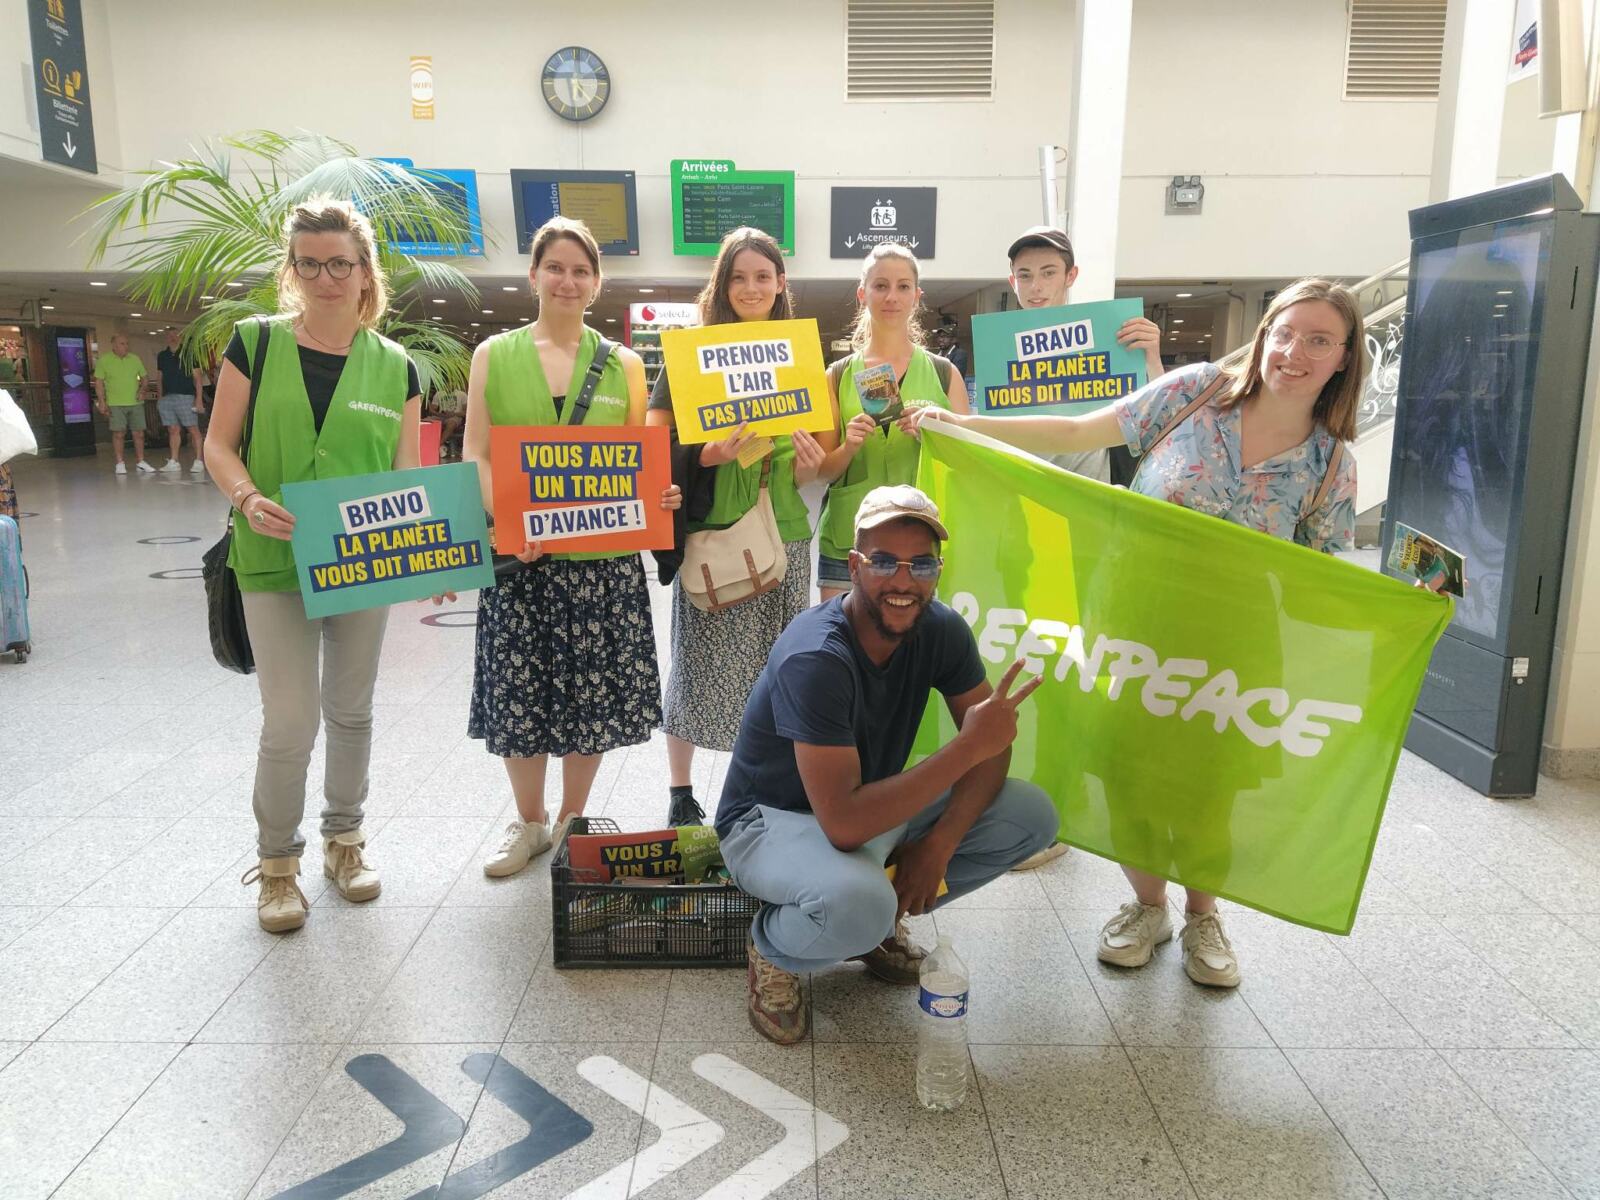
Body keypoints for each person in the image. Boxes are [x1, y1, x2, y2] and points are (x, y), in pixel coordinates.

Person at [913, 277, 1365, 988]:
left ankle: (1204, 916)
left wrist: (1411, 601)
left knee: (1211, 786)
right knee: (1129, 771)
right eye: (1284, 330)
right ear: (1267, 333)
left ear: (1343, 358)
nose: (1294, 351)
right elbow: (1075, 433)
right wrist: (960, 425)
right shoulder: (1195, 392)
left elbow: (1317, 585)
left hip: (1235, 640)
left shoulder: (1332, 466)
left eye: (1318, 340)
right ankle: (1146, 907)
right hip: (1134, 620)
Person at [716, 485, 1058, 1044]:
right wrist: (970, 747)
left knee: (1031, 814)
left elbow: (992, 751)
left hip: (867, 808)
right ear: (853, 565)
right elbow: (843, 823)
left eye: (920, 563)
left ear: (938, 570)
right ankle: (774, 946)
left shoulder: (941, 629)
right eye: (883, 562)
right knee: (861, 903)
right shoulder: (817, 657)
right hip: (770, 823)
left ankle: (871, 924)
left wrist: (941, 843)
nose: (903, 581)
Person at [204, 197, 423, 933]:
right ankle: (276, 866)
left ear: (365, 273)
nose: (325, 277)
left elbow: (407, 481)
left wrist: (434, 550)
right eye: (310, 263)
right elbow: (217, 443)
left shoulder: (397, 367)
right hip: (272, 560)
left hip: (364, 566)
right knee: (290, 721)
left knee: (352, 711)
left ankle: (345, 841)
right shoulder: (255, 344)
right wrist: (246, 496)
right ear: (292, 270)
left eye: (340, 263)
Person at [464, 216, 681, 878]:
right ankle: (527, 821)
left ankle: (571, 819)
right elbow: (475, 451)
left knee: (590, 701)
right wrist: (509, 523)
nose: (567, 280)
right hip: (519, 562)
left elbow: (641, 461)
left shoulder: (625, 364)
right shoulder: (493, 356)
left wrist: (660, 496)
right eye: (555, 267)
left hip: (600, 566)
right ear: (533, 275)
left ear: (596, 283)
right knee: (520, 692)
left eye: (580, 270)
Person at [644, 227, 829, 827]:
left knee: (779, 668)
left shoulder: (797, 357)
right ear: (722, 284)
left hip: (787, 530)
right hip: (716, 528)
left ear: (781, 285)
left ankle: (762, 786)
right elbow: (655, 444)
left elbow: (815, 455)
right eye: (739, 276)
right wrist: (708, 455)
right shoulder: (691, 356)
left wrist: (813, 466)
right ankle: (680, 791)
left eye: (764, 276)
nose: (752, 287)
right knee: (698, 662)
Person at [813, 243, 968, 600]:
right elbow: (822, 471)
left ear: (917, 296)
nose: (891, 297)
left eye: (903, 286)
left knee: (916, 653)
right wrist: (849, 446)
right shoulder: (836, 376)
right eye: (880, 285)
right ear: (862, 294)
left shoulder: (945, 374)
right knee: (846, 650)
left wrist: (933, 434)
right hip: (848, 544)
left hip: (920, 546)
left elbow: (966, 463)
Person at [1006, 226, 1165, 484]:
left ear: (1071, 275)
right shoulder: (999, 349)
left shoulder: (1108, 337)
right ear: (1013, 282)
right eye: (1025, 276)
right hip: (1021, 488)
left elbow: (1157, 415)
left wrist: (1151, 360)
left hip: (1089, 495)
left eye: (1049, 273)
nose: (1036, 286)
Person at [93, 333, 152, 475]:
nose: (126, 346)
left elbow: (144, 378)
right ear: (113, 345)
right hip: (115, 403)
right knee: (119, 433)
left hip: (135, 402)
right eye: (122, 344)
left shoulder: (135, 359)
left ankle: (140, 461)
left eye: (127, 343)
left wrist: (142, 389)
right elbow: (99, 382)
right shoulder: (104, 360)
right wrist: (101, 401)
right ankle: (120, 463)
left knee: (139, 433)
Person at [155, 327, 207, 474]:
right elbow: (159, 378)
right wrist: (160, 398)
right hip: (167, 398)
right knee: (173, 429)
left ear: (181, 337)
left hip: (186, 396)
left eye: (175, 335)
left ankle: (198, 461)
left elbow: (197, 379)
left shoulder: (189, 354)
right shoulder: (162, 356)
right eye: (169, 335)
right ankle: (174, 461)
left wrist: (198, 400)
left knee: (192, 428)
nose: (172, 337)